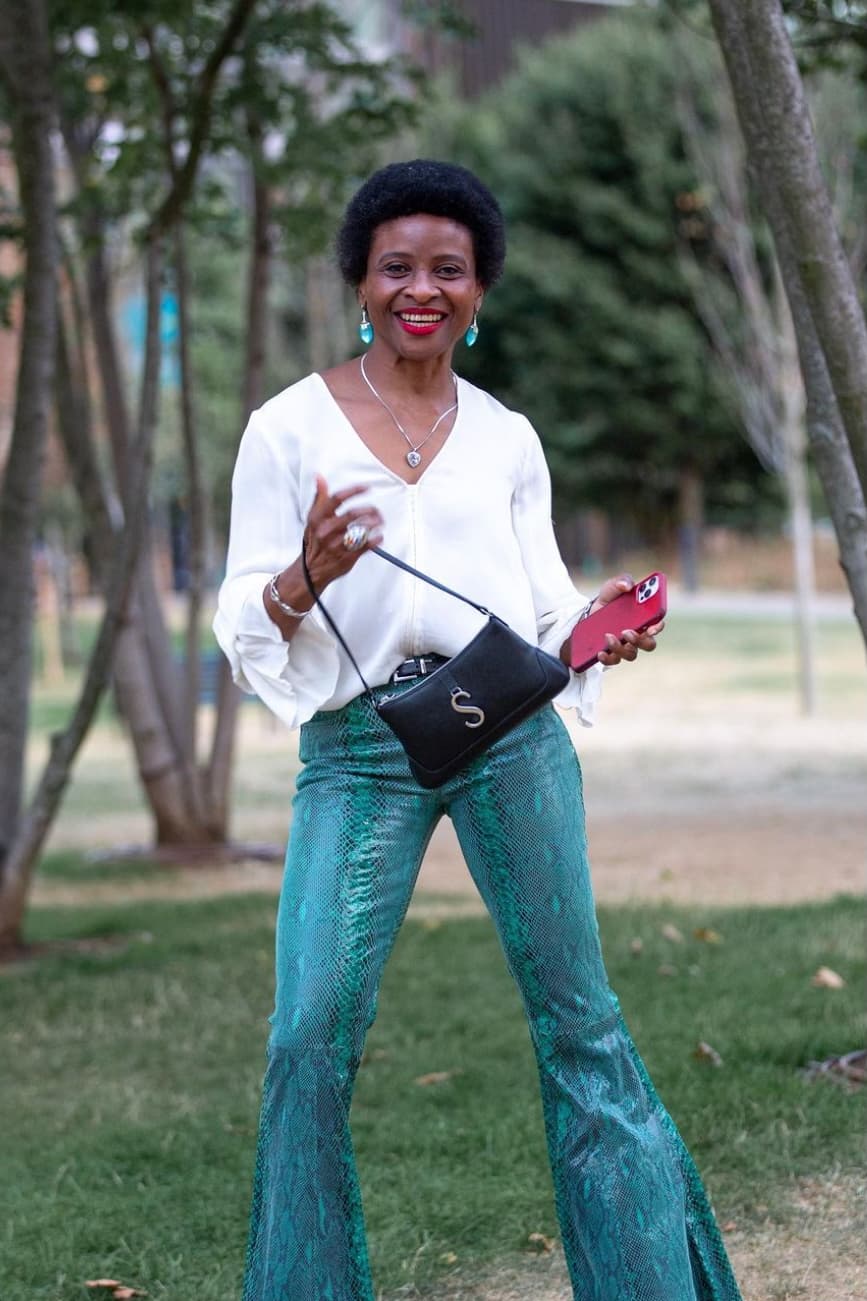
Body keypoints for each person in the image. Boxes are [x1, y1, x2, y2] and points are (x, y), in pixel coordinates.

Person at [215, 159, 742, 1301]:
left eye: (448, 269)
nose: (422, 288)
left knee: (581, 1025)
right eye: (396, 266)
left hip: (507, 733)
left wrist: (597, 626)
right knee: (306, 1033)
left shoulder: (506, 436)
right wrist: (306, 575)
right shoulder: (286, 428)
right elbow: (244, 617)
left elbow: (542, 609)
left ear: (479, 290)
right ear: (360, 283)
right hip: (362, 752)